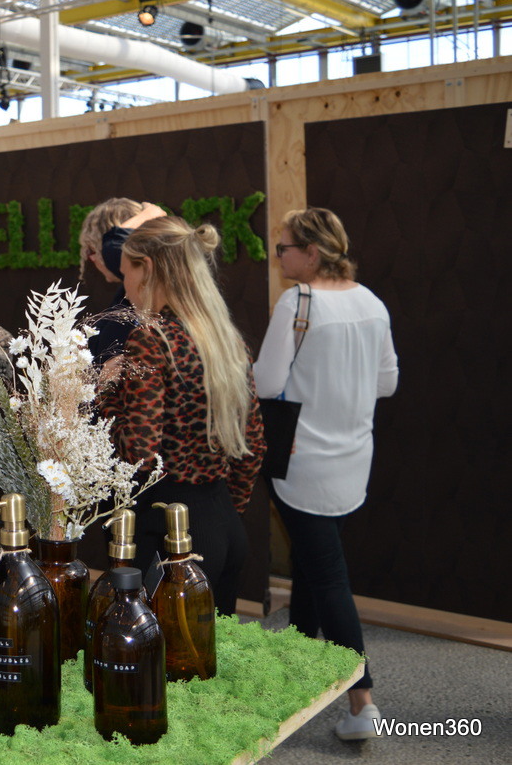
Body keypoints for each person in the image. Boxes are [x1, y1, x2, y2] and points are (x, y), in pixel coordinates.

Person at [253, 207, 397, 741]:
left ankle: (363, 702)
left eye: (284, 248)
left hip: (302, 462)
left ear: (311, 253)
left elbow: (267, 383)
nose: (279, 258)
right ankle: (298, 667)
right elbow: (387, 383)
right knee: (313, 567)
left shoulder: (298, 302)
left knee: (329, 578)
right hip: (353, 459)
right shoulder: (372, 302)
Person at [101, 216, 265, 616]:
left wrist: (105, 394)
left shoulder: (151, 340)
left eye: (125, 273)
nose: (125, 286)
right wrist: (223, 513)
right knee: (211, 650)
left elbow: (138, 452)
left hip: (169, 533)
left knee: (154, 650)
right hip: (223, 526)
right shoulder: (227, 341)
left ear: (146, 268)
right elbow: (254, 445)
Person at [78, 197, 144, 361]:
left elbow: (115, 246)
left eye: (92, 250)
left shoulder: (146, 293)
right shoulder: (125, 296)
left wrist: (152, 212)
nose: (92, 259)